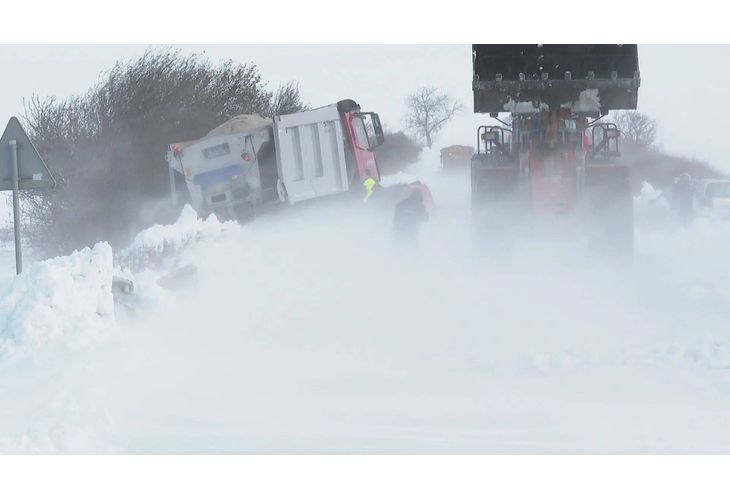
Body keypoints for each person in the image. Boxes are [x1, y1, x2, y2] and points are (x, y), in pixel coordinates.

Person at [392, 187, 429, 252]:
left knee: (398, 249)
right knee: (413, 250)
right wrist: (427, 215)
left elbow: (396, 217)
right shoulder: (420, 206)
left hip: (399, 231)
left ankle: (395, 259)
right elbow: (424, 219)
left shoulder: (401, 204)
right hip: (413, 232)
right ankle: (415, 260)